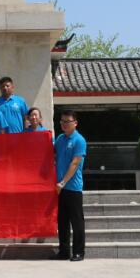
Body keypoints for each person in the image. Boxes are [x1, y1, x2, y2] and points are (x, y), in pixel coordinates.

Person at [53, 110, 86, 262]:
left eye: (67, 121)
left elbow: (75, 163)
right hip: (60, 188)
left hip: (72, 187)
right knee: (62, 221)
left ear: (75, 123)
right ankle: (64, 251)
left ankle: (78, 252)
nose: (64, 124)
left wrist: (63, 182)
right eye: (62, 121)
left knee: (77, 221)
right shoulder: (60, 139)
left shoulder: (79, 140)